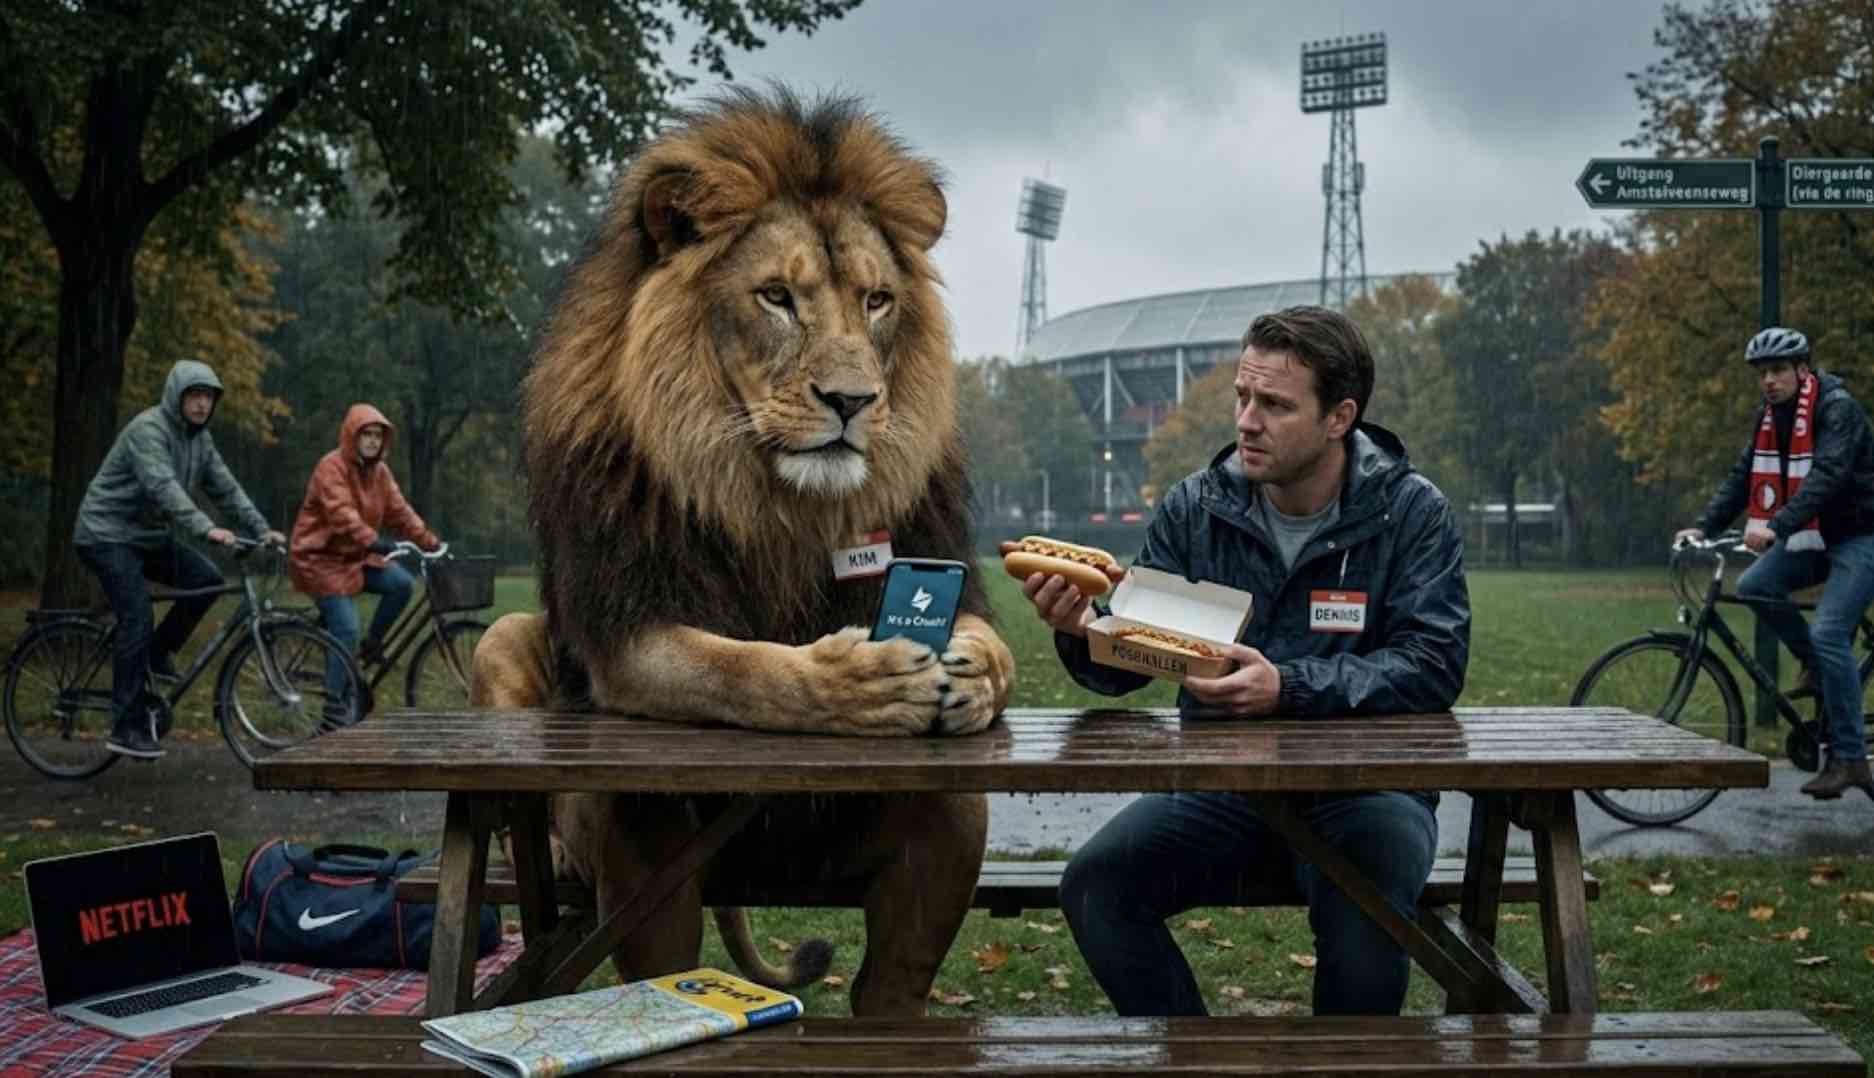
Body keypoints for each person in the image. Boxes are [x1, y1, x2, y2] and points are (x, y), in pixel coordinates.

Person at [1019, 305, 1471, 1017]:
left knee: (1366, 920)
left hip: (1368, 792)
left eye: (1274, 404)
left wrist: (1287, 685)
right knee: (1093, 887)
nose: (1246, 420)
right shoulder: (1196, 508)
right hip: (1220, 788)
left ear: (1339, 417)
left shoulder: (1409, 513)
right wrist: (1081, 630)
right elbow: (1128, 660)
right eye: (1242, 397)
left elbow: (1432, 662)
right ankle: (1199, 1066)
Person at [1675, 327, 1874, 801]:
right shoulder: (1770, 418)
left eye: (1778, 370)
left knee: (1828, 631)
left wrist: (1778, 524)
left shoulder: (1836, 409)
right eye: (1762, 373)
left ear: (1802, 371)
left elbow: (1828, 475)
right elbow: (1744, 475)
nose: (1769, 380)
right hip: (1815, 535)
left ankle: (1849, 758)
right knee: (1757, 584)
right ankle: (1818, 667)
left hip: (1862, 534)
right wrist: (1703, 525)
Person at [73, 359, 285, 761]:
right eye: (195, 396)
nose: (203, 405)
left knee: (204, 579)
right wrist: (206, 528)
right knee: (136, 615)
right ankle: (125, 725)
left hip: (147, 537)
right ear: (177, 396)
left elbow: (226, 487)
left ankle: (153, 654)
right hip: (105, 534)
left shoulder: (199, 440)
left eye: (209, 397)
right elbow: (162, 488)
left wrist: (261, 529)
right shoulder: (148, 430)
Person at [288, 404, 441, 722]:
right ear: (351, 436)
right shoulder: (330, 468)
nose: (372, 441)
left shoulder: (380, 473)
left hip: (357, 557)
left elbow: (401, 511)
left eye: (377, 435)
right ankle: (332, 710)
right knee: (345, 628)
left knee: (401, 584)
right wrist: (374, 541)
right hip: (320, 560)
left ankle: (372, 647)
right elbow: (342, 514)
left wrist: (431, 542)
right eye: (366, 434)